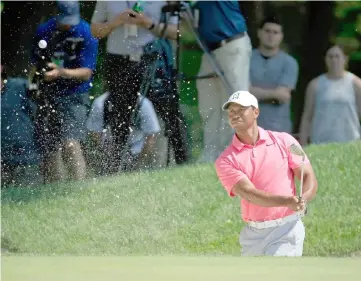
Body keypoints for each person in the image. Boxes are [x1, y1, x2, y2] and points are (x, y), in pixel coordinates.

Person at [126, 1, 252, 163]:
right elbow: (184, 32)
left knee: (235, 101)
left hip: (232, 45)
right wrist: (150, 23)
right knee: (209, 104)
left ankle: (234, 153)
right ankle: (210, 154)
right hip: (209, 50)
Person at [215, 91, 318, 257]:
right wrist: (287, 201)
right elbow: (250, 194)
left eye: (241, 109)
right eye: (231, 112)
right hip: (252, 235)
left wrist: (302, 200)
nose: (235, 115)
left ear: (256, 112)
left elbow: (307, 176)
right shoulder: (225, 160)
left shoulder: (285, 141)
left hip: (286, 229)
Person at [90, 1, 189, 170]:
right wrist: (116, 22)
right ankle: (118, 169)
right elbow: (95, 31)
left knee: (170, 111)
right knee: (119, 116)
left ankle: (183, 163)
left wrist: (146, 22)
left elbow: (178, 31)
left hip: (152, 57)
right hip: (119, 61)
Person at [29, 0, 98, 183]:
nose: (68, 24)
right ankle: (55, 190)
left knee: (70, 141)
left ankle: (79, 186)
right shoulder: (44, 31)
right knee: (49, 146)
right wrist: (37, 78)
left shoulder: (87, 32)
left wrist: (60, 72)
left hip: (75, 94)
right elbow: (34, 63)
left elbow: (86, 73)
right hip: (48, 93)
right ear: (56, 14)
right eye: (64, 20)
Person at [299, 45, 361, 145]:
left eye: (337, 56)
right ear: (325, 59)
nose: (334, 60)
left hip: (350, 141)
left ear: (345, 59)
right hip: (320, 142)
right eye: (330, 56)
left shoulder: (356, 83)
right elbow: (307, 117)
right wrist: (303, 142)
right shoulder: (315, 84)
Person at [86, 92, 161, 174]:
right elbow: (94, 132)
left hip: (137, 152)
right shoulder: (100, 103)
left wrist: (139, 164)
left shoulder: (143, 104)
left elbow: (152, 135)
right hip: (108, 151)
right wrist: (106, 153)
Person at [249, 16, 299, 133]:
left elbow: (283, 96)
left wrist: (253, 93)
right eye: (267, 31)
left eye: (275, 32)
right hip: (248, 129)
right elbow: (241, 93)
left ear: (281, 36)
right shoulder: (246, 59)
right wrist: (273, 94)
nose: (271, 35)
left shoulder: (289, 63)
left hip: (278, 130)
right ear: (259, 33)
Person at [1, 65, 40, 187]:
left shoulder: (19, 86)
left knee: (30, 197)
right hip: (3, 160)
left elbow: (38, 110)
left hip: (27, 157)